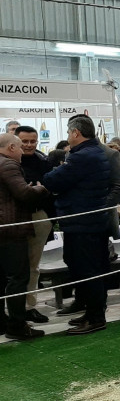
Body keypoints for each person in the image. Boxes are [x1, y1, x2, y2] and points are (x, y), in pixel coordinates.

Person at [42, 115, 112, 335]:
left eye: (68, 132)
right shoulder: (95, 152)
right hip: (88, 221)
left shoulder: (82, 156)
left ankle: (96, 318)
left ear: (75, 133)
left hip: (83, 222)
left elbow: (52, 180)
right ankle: (92, 313)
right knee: (87, 267)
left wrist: (56, 171)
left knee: (88, 269)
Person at [0, 133, 51, 340]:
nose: (23, 150)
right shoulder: (9, 165)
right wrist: (40, 188)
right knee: (18, 278)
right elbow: (23, 193)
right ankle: (17, 325)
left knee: (3, 278)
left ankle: (5, 322)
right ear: (11, 148)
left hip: (4, 228)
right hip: (12, 229)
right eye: (20, 147)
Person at [14, 126, 54, 324]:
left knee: (33, 266)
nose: (29, 145)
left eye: (33, 141)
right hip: (11, 221)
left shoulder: (43, 161)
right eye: (25, 141)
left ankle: (30, 307)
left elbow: (50, 188)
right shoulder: (9, 162)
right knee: (11, 269)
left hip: (39, 218)